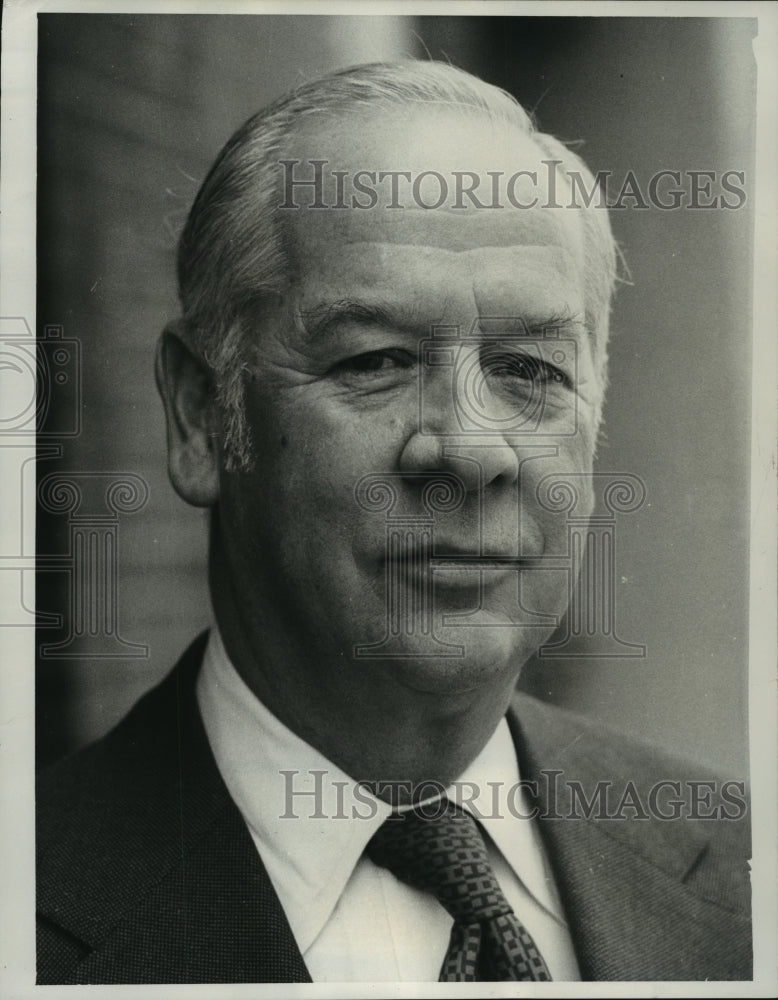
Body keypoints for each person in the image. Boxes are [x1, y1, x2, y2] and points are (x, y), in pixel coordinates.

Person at [36, 61, 752, 984]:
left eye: (530, 372)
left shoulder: (739, 864)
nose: (471, 449)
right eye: (376, 359)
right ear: (204, 416)